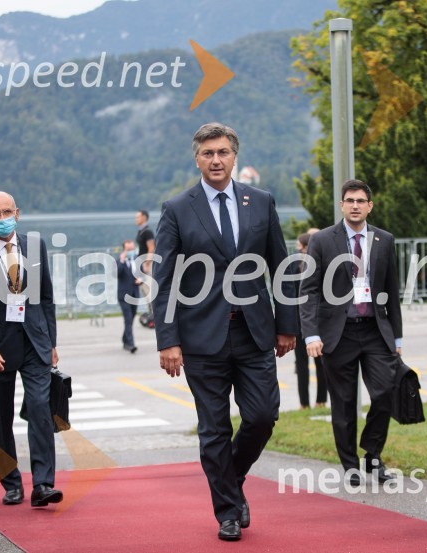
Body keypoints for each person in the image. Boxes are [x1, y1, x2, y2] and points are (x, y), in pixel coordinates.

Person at [154, 122, 297, 541]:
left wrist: (287, 325)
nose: (216, 160)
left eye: (223, 152)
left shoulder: (262, 202)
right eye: (207, 154)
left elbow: (282, 267)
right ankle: (228, 511)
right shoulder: (178, 208)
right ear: (196, 158)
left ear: (234, 156)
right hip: (200, 340)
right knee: (214, 427)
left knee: (262, 416)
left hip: (255, 333)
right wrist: (168, 339)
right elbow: (164, 281)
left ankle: (229, 481)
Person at [0, 191, 63, 508]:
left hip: (34, 343)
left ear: (18, 213)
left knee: (40, 410)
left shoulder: (35, 247)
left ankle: (43, 484)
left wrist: (52, 341)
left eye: (7, 212)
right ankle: (11, 482)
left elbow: (46, 296)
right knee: (0, 419)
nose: (2, 219)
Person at [300, 180, 403, 486]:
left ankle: (372, 454)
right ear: (342, 205)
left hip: (375, 330)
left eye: (361, 200)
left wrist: (397, 338)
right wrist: (311, 334)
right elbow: (308, 291)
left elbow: (392, 291)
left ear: (370, 205)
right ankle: (350, 464)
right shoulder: (322, 241)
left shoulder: (384, 240)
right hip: (337, 333)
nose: (355, 205)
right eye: (349, 200)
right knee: (343, 403)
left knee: (386, 392)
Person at [292, 232, 326, 408]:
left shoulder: (320, 265)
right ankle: (303, 403)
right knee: (301, 366)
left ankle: (321, 400)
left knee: (321, 364)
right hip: (298, 322)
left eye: (301, 246)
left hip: (317, 321)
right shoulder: (293, 266)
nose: (298, 250)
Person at [116, 239, 139, 353]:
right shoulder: (119, 261)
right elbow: (117, 273)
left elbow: (144, 273)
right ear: (124, 250)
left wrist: (141, 279)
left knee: (132, 318)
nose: (131, 251)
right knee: (128, 319)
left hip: (135, 294)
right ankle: (130, 344)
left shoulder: (137, 259)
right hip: (123, 295)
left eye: (132, 249)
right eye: (128, 249)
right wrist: (121, 260)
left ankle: (125, 338)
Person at [135, 209, 155, 320]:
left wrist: (147, 264)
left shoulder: (147, 232)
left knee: (149, 290)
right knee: (144, 290)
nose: (136, 219)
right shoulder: (140, 231)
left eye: (138, 217)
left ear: (144, 217)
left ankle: (154, 315)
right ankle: (151, 313)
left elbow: (151, 248)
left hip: (146, 264)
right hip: (141, 263)